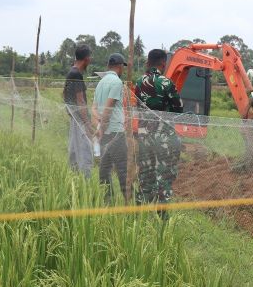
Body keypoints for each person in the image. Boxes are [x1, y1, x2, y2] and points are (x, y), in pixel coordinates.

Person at [134, 49, 183, 210]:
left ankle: (140, 214)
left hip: (144, 137)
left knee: (145, 174)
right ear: (164, 63)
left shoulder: (139, 82)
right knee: (164, 175)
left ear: (148, 62)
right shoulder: (167, 83)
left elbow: (138, 107)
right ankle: (161, 217)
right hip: (163, 138)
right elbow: (178, 109)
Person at [93, 53, 128, 201]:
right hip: (115, 131)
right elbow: (109, 108)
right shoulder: (116, 82)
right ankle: (128, 203)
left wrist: (99, 127)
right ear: (120, 67)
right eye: (123, 68)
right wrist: (103, 127)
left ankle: (108, 201)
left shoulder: (101, 82)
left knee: (105, 169)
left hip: (103, 132)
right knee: (122, 169)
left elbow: (94, 108)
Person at [63, 44, 94, 177]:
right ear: (86, 59)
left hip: (74, 118)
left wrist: (70, 111)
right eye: (90, 57)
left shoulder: (72, 72)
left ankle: (74, 179)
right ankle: (85, 184)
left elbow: (64, 93)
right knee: (85, 152)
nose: (90, 60)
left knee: (74, 151)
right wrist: (87, 124)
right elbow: (80, 101)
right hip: (79, 121)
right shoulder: (76, 74)